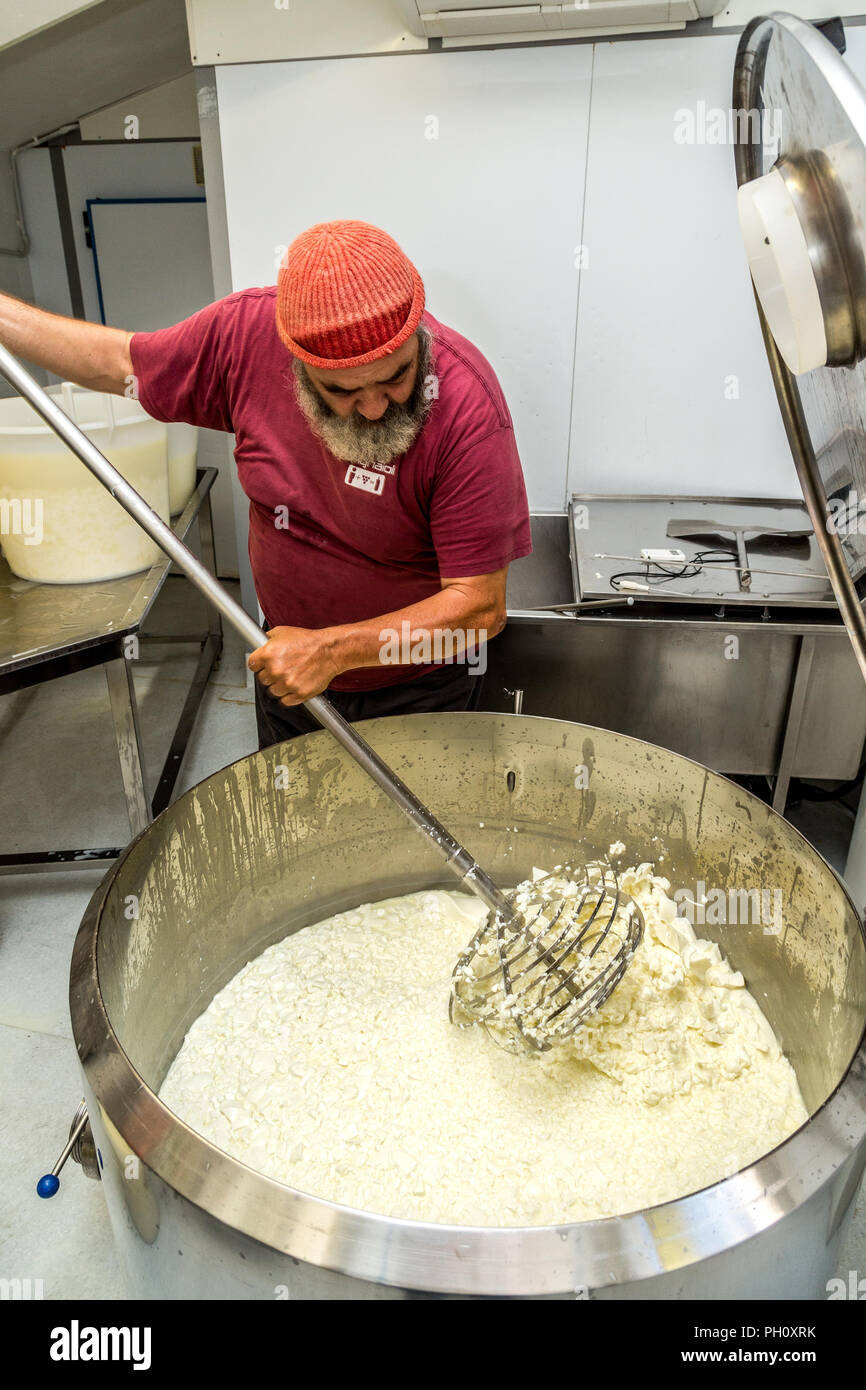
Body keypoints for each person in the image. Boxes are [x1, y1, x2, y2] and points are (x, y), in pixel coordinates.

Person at [0, 219, 532, 747]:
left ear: (417, 336)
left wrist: (332, 652)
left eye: (396, 376)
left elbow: (479, 609)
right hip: (290, 676)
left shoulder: (466, 406)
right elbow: (116, 363)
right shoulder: (244, 338)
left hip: (416, 689)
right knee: (303, 828)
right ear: (296, 363)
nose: (373, 407)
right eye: (341, 391)